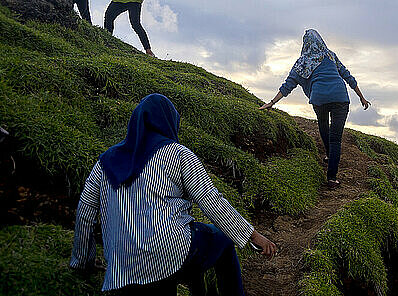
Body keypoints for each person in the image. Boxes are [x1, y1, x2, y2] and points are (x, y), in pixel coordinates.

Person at [70, 93, 276, 295]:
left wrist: (81, 262)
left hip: (123, 263)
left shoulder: (105, 162)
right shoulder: (178, 154)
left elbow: (85, 213)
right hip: (169, 250)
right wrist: (255, 237)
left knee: (185, 249)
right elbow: (211, 200)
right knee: (219, 239)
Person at [259, 29, 370, 187]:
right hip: (340, 97)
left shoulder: (303, 61)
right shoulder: (330, 55)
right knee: (336, 139)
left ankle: (328, 154)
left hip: (320, 99)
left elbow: (288, 84)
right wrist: (361, 97)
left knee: (323, 125)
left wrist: (272, 102)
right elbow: (347, 76)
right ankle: (331, 177)